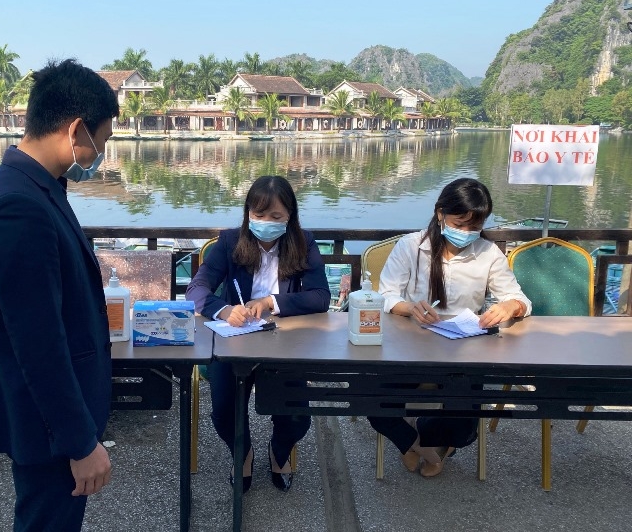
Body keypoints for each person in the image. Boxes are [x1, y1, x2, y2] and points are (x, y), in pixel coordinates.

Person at [0, 59, 119, 530]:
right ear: (75, 130)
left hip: (51, 417)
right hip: (47, 425)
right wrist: (80, 442)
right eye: (102, 141)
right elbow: (37, 343)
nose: (100, 155)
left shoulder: (35, 185)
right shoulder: (17, 205)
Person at [368, 177, 531, 478]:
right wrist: (409, 307)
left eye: (474, 226)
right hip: (411, 346)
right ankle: (417, 446)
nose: (466, 232)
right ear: (440, 213)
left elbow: (519, 298)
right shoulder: (411, 247)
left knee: (465, 414)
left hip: (463, 350)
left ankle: (426, 439)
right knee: (371, 398)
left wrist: (510, 306)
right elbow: (385, 295)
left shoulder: (487, 253)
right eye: (460, 224)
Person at [186, 175, 331, 493]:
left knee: (297, 416)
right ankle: (243, 453)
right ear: (248, 213)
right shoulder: (230, 241)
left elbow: (321, 296)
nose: (265, 223)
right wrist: (224, 309)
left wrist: (270, 302)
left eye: (275, 216)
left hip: (284, 342)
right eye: (258, 214)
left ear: (289, 216)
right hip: (235, 340)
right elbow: (196, 289)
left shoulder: (303, 242)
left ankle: (279, 451)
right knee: (224, 411)